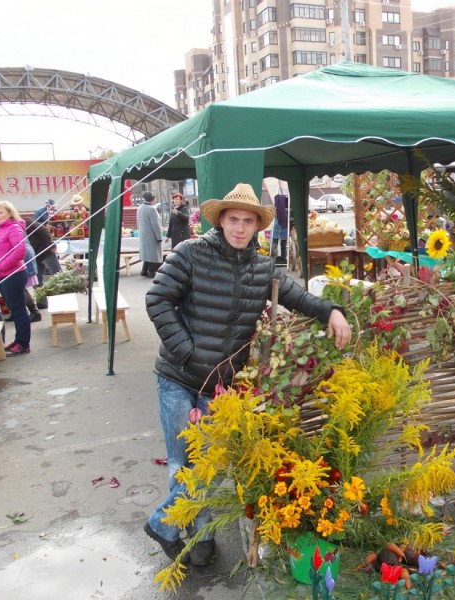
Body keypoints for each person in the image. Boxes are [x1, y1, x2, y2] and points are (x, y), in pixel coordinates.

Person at [144, 183, 352, 566]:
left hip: (219, 386)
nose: (240, 228)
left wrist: (332, 310)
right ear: (221, 220)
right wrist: (187, 351)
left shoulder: (262, 271)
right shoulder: (190, 254)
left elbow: (299, 297)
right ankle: (193, 533)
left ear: (257, 226)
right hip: (176, 376)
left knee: (208, 464)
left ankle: (172, 526)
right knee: (182, 464)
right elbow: (157, 299)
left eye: (248, 222)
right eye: (234, 219)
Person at [0, 201, 31, 356]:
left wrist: (0, 267)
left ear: (10, 213)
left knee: (18, 310)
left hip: (13, 275)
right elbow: (2, 250)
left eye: (0, 213)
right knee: (15, 310)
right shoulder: (1, 229)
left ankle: (23, 343)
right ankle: (18, 340)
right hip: (3, 275)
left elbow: (20, 252)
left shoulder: (14, 228)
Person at [25, 218, 61, 290]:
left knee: (58, 276)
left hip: (45, 251)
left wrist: (51, 245)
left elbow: (42, 230)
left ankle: (65, 297)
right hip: (33, 256)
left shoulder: (25, 222)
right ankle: (41, 301)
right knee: (37, 283)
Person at [137, 191, 163, 278]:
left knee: (147, 253)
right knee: (152, 253)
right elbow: (155, 224)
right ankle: (151, 272)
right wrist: (159, 236)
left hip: (143, 234)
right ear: (152, 199)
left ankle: (144, 270)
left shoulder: (140, 207)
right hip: (151, 235)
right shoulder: (151, 209)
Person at [272, 193, 289, 264]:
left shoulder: (277, 206)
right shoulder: (284, 208)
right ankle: (281, 257)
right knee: (281, 243)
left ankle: (278, 257)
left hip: (280, 224)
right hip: (282, 224)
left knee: (277, 242)